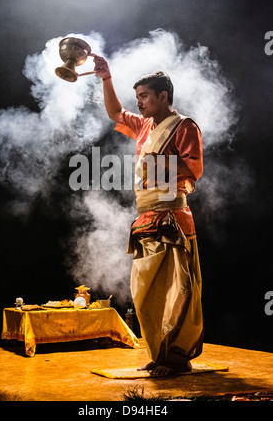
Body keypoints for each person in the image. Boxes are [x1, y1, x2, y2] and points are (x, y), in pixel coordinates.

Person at [94, 55, 204, 376]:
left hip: (172, 217)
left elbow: (193, 168)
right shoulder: (144, 125)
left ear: (163, 97)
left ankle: (177, 358)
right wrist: (105, 77)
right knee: (144, 295)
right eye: (138, 97)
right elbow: (115, 112)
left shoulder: (184, 126)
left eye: (144, 96)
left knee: (177, 289)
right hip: (144, 218)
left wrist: (155, 167)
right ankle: (159, 352)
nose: (139, 103)